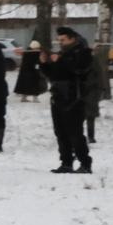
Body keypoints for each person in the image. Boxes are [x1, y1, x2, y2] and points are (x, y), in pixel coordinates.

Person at [46, 27, 96, 174]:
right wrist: (44, 63)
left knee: (75, 133)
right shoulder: (62, 54)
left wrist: (60, 60)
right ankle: (66, 161)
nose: (60, 42)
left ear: (72, 38)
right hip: (58, 96)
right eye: (59, 40)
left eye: (63, 40)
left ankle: (85, 163)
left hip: (74, 98)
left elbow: (79, 70)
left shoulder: (83, 52)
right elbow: (53, 75)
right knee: (60, 132)